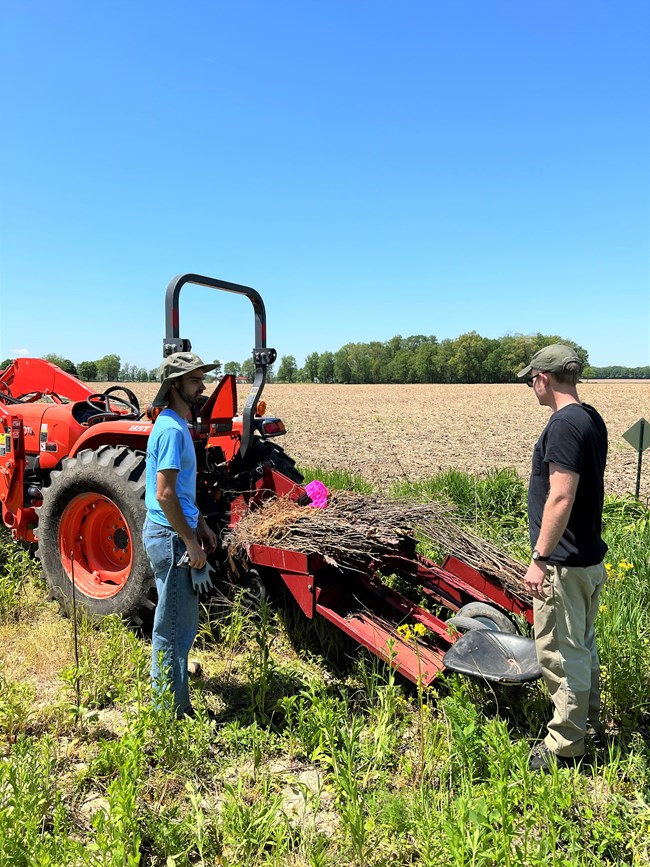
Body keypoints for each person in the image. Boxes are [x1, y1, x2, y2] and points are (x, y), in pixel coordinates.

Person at [517, 344, 608, 771]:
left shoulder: (563, 426)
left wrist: (540, 556)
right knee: (583, 649)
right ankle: (590, 724)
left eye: (530, 379)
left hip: (564, 565)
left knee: (560, 655)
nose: (531, 387)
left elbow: (562, 495)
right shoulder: (591, 417)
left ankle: (565, 747)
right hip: (587, 559)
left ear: (543, 378)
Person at [143, 351, 218, 718]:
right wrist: (189, 541)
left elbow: (182, 492)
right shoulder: (172, 429)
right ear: (174, 386)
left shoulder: (175, 425)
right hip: (171, 539)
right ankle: (170, 712)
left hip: (173, 534)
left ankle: (170, 700)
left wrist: (200, 522)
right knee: (173, 627)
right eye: (194, 380)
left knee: (178, 623)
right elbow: (164, 494)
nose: (203, 386)